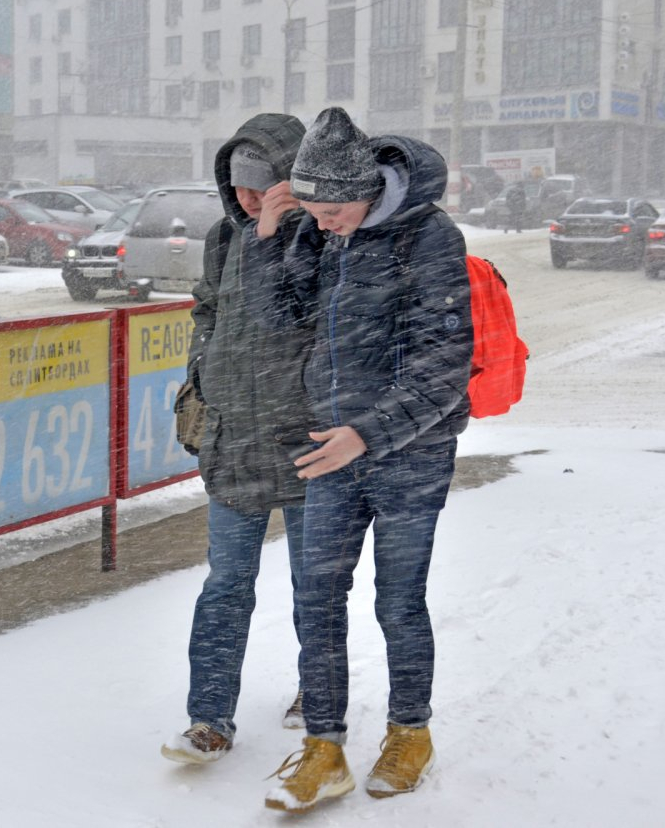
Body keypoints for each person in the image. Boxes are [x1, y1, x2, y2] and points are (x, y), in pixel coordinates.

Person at [262, 107, 473, 813]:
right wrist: (277, 237)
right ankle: (324, 749)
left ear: (370, 191)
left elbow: (446, 365)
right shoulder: (325, 234)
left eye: (332, 209)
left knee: (397, 600)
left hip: (411, 451)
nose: (324, 221)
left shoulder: (430, 237)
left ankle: (410, 732)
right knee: (315, 598)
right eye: (312, 210)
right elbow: (285, 320)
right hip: (332, 447)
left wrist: (370, 432)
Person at [160, 113, 324, 764]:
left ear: (293, 179)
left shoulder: (325, 238)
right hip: (234, 440)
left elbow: (322, 318)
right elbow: (208, 308)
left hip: (309, 441)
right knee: (227, 583)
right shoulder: (223, 240)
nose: (250, 199)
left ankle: (320, 694)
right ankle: (209, 721)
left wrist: (279, 233)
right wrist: (201, 375)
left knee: (316, 582)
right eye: (240, 187)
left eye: (264, 185)